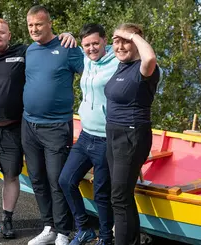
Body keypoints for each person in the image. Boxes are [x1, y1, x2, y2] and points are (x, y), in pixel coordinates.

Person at [0, 18, 76, 245]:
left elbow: (46, 43)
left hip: (14, 128)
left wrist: (68, 34)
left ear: (10, 35)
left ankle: (7, 220)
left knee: (11, 176)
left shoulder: (24, 52)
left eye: (2, 32)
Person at [22, 5, 84, 245]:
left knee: (56, 179)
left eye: (38, 24)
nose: (34, 29)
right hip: (29, 125)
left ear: (49, 24)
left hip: (57, 126)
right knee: (37, 178)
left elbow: (92, 69)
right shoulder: (30, 50)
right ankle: (48, 226)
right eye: (30, 25)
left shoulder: (67, 47)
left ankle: (62, 231)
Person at [59, 24, 118, 245]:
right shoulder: (84, 59)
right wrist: (65, 34)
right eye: (87, 45)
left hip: (106, 139)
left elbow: (146, 60)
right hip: (86, 136)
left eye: (95, 43)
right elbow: (61, 42)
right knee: (66, 180)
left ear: (104, 41)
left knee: (101, 193)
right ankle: (84, 229)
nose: (91, 48)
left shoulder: (117, 61)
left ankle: (105, 238)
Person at [104, 23, 160, 245]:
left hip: (132, 135)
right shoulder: (121, 66)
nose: (119, 45)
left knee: (118, 197)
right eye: (116, 40)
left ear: (137, 42)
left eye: (124, 40)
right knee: (122, 196)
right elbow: (92, 48)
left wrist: (132, 35)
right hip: (114, 134)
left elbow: (149, 58)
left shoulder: (144, 68)